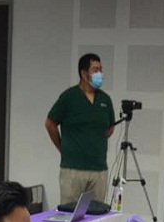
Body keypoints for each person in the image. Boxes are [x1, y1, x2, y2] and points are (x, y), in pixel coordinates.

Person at [45, 53, 116, 204]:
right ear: (84, 74)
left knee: (97, 212)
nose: (100, 74)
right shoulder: (69, 97)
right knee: (70, 211)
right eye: (95, 70)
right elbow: (50, 123)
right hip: (73, 169)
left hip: (99, 169)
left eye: (101, 69)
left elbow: (110, 128)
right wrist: (62, 147)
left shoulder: (105, 99)